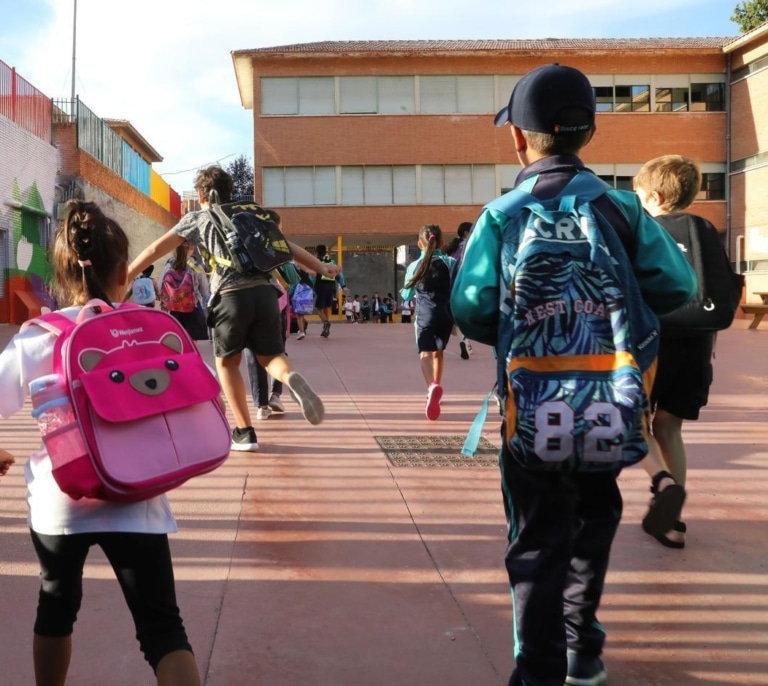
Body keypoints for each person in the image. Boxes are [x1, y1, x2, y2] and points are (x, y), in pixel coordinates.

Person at [450, 64, 697, 686]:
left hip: (529, 406)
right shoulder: (618, 209)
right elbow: (678, 287)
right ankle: (582, 649)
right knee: (594, 514)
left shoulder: (502, 215)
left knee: (533, 536)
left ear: (517, 139)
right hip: (609, 401)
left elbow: (470, 308)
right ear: (590, 132)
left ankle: (536, 670)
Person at [0, 200, 202, 685]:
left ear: (64, 273)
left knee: (55, 606)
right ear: (122, 274)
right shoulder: (144, 331)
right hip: (136, 496)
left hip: (60, 496)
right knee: (162, 629)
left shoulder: (37, 337)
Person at [127, 166, 336, 452]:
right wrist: (321, 267)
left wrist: (128, 273)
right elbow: (286, 246)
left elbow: (155, 250)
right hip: (265, 294)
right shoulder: (253, 215)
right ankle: (290, 377)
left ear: (201, 195)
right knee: (271, 356)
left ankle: (244, 432)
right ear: (231, 192)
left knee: (227, 363)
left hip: (229, 296)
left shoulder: (197, 218)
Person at [633, 154, 727, 549]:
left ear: (654, 195)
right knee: (669, 427)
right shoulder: (704, 229)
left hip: (651, 344)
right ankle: (674, 520)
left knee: (632, 423)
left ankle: (663, 482)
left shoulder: (643, 231)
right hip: (698, 345)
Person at [401, 224, 456, 421]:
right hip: (447, 315)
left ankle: (431, 387)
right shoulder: (451, 262)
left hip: (425, 315)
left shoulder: (415, 266)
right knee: (438, 353)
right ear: (442, 242)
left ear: (419, 244)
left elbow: (407, 295)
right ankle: (436, 386)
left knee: (425, 353)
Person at [160, 243, 209, 342]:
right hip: (192, 308)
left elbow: (162, 284)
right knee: (192, 341)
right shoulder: (196, 266)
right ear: (191, 249)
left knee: (177, 340)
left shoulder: (169, 266)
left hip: (173, 309)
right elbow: (204, 289)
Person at [314, 245, 344, 338]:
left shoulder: (317, 261)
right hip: (331, 286)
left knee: (319, 309)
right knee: (327, 307)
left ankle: (326, 323)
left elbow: (312, 276)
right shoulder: (331, 261)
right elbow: (339, 274)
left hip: (321, 286)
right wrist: (343, 285)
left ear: (317, 252)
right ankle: (325, 329)